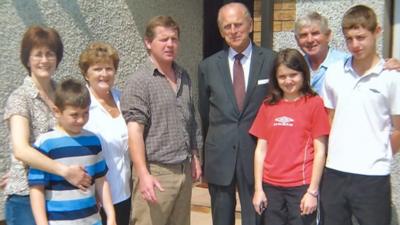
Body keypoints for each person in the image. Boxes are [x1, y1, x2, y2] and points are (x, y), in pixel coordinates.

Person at [321, 5, 400, 225]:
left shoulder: (392, 77)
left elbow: (399, 128)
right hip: (335, 172)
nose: (355, 45)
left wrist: (379, 154)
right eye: (349, 39)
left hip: (372, 176)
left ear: (377, 31)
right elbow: (330, 118)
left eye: (361, 37)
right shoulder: (335, 72)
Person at [198, 2, 276, 225]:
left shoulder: (271, 60)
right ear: (221, 31)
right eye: (227, 26)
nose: (233, 31)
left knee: (256, 218)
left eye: (238, 24)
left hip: (256, 155)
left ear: (250, 25)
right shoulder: (207, 66)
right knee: (221, 218)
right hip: (220, 155)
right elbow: (205, 112)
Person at [3, 26, 90, 225]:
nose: (44, 60)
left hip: (60, 194)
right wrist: (65, 171)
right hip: (26, 196)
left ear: (57, 58)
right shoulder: (20, 98)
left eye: (50, 54)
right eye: (38, 54)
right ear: (27, 59)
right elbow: (21, 149)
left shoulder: (62, 95)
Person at [121, 15, 202, 225]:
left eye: (174, 39)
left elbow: (191, 119)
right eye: (163, 39)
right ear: (148, 43)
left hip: (183, 170)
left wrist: (194, 155)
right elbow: (135, 132)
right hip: (156, 173)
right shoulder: (139, 81)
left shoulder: (184, 76)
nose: (170, 44)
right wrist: (143, 174)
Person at [250, 48, 329, 225]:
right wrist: (258, 189)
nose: (288, 81)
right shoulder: (268, 106)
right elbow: (260, 150)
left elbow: (320, 151)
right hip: (271, 187)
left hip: (301, 187)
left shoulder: (314, 103)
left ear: (303, 73)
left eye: (293, 75)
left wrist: (312, 192)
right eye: (282, 76)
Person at [28, 78, 116, 225]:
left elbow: (101, 181)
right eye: (74, 115)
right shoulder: (46, 143)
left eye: (85, 113)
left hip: (92, 220)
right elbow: (37, 188)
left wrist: (111, 215)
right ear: (57, 111)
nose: (81, 120)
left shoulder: (93, 141)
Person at [79, 42, 131, 225]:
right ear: (86, 73)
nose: (104, 74)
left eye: (109, 68)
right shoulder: (82, 105)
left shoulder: (123, 99)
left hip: (126, 190)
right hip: (96, 195)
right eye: (97, 69)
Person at [294, 11, 400, 95]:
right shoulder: (294, 66)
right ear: (297, 40)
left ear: (328, 35)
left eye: (315, 33)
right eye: (303, 35)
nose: (309, 40)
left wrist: (394, 66)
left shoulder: (346, 64)